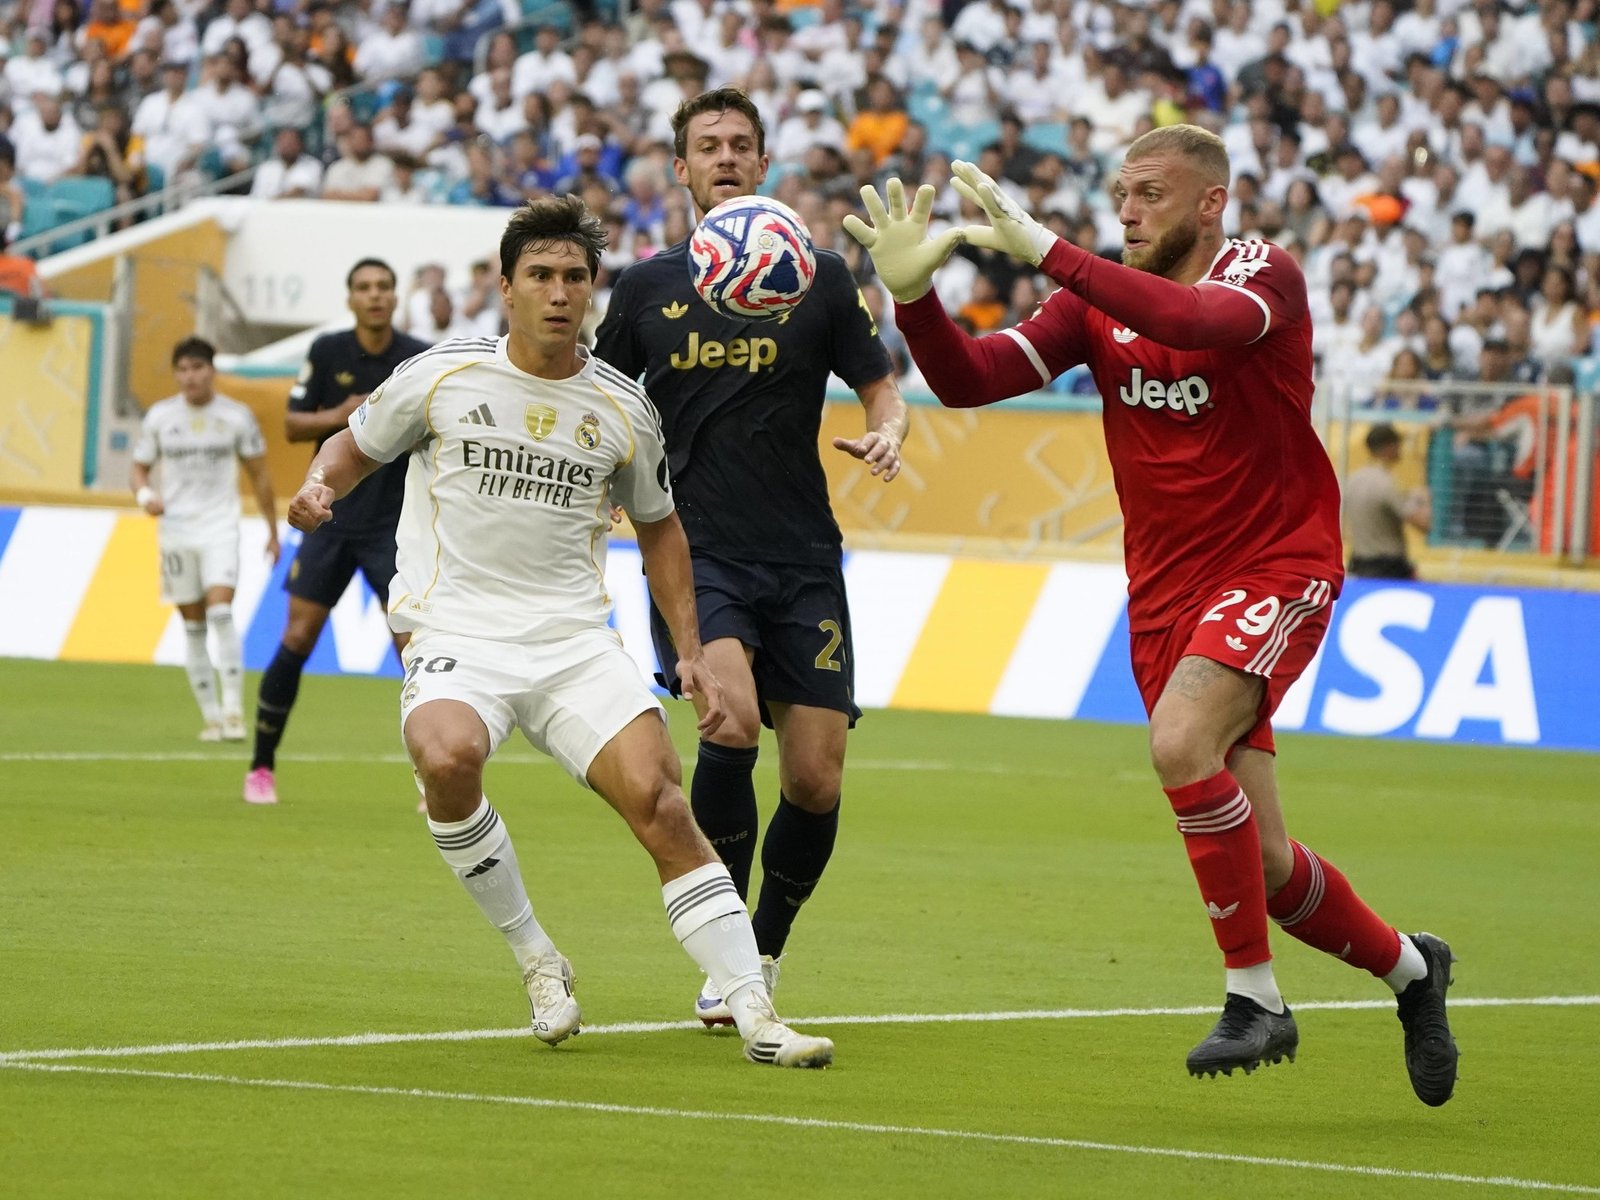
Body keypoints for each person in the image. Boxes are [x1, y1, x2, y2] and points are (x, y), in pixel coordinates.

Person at [844, 125, 1459, 1103]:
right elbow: (968, 381)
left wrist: (1050, 250)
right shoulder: (1090, 301)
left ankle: (1254, 997)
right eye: (1118, 193)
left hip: (1274, 562)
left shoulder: (1263, 272)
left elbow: (1193, 321)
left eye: (1149, 194)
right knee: (1261, 860)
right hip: (1164, 594)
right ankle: (1413, 972)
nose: (1126, 210)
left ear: (1209, 203)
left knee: (1179, 745)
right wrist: (912, 299)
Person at [285, 195, 833, 1069]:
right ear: (506, 287)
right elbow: (353, 449)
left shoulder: (623, 406)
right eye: (540, 275)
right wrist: (320, 489)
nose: (559, 292)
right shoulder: (441, 374)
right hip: (458, 630)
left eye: (575, 277)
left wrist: (689, 649)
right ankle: (538, 959)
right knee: (446, 757)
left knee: (661, 804)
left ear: (592, 292)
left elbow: (660, 527)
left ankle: (757, 1014)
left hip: (575, 643)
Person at [594, 86, 908, 1026]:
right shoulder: (647, 287)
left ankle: (763, 951)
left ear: (763, 165)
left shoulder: (818, 276)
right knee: (725, 722)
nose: (725, 157)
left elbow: (880, 384)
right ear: (681, 168)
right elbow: (600, 402)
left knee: (815, 777)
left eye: (741, 145)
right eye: (707, 145)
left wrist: (889, 432)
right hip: (696, 552)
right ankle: (728, 960)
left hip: (803, 553)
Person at [243, 260, 429, 806]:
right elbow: (291, 424)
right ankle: (260, 766)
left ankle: (430, 776)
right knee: (297, 638)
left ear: (396, 297)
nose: (375, 296)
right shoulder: (326, 352)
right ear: (350, 299)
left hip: (394, 528)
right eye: (364, 288)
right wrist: (344, 413)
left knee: (414, 652)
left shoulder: (418, 357)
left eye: (383, 288)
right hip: (329, 519)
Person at [132, 337, 280, 742]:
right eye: (182, 369)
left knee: (220, 611)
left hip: (219, 527)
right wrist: (146, 496)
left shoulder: (236, 416)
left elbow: (260, 474)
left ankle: (233, 712)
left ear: (212, 370)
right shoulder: (161, 417)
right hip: (176, 529)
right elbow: (139, 469)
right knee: (193, 625)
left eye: (197, 367)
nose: (189, 376)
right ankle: (211, 717)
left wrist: (272, 529)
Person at [1345, 424, 1432, 579]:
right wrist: (1423, 500)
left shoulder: (1353, 480)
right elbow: (1423, 524)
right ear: (1390, 447)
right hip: (1389, 568)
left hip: (1358, 564)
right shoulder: (1388, 483)